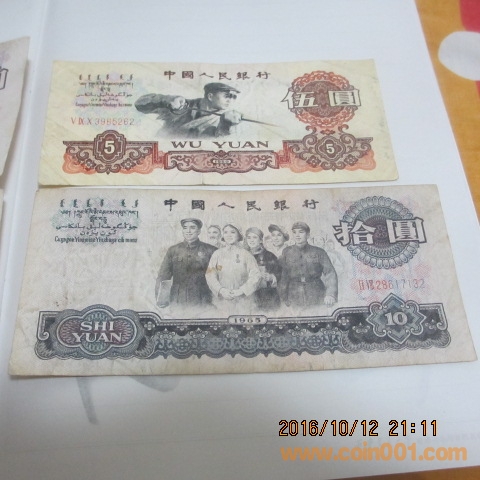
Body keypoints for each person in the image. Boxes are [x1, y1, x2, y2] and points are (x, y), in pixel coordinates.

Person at [135, 82, 242, 138]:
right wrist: (165, 100)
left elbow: (217, 146)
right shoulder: (180, 105)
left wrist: (226, 126)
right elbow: (139, 105)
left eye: (234, 97)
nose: (230, 100)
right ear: (210, 96)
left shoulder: (228, 119)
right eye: (227, 96)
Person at [156, 218, 217, 308]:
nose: (188, 231)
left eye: (192, 228)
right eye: (185, 228)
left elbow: (218, 275)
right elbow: (163, 276)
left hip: (203, 300)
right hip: (177, 300)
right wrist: (161, 300)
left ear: (199, 231)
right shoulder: (173, 250)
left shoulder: (211, 250)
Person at [278, 222, 338, 308]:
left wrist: (330, 294)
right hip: (293, 294)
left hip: (316, 292)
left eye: (301, 232)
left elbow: (330, 273)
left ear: (308, 235)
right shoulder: (286, 252)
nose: (297, 235)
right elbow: (283, 276)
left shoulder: (319, 252)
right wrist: (283, 298)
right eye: (294, 232)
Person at [205, 224, 261, 313]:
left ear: (239, 235)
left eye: (232, 232)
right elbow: (210, 274)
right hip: (222, 301)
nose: (229, 235)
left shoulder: (246, 255)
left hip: (243, 301)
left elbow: (255, 275)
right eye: (226, 232)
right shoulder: (217, 254)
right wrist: (221, 290)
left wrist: (241, 291)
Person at [244, 227, 281, 311]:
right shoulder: (243, 255)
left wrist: (272, 277)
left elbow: (279, 273)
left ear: (260, 240)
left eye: (254, 237)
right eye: (249, 237)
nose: (251, 240)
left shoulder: (269, 255)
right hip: (247, 295)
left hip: (266, 296)